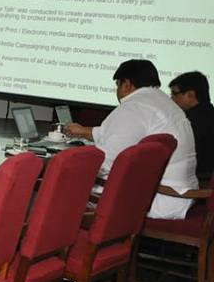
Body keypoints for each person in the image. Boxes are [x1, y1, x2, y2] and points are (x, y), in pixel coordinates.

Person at [65, 59, 198, 219]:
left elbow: (108, 161)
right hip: (181, 195)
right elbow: (120, 133)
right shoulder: (164, 102)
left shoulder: (134, 106)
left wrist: (68, 165)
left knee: (66, 186)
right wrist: (82, 131)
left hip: (159, 198)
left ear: (126, 84)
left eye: (117, 85)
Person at [169, 71, 213, 180]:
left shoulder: (185, 122)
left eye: (174, 93)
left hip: (195, 181)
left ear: (190, 95)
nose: (171, 99)